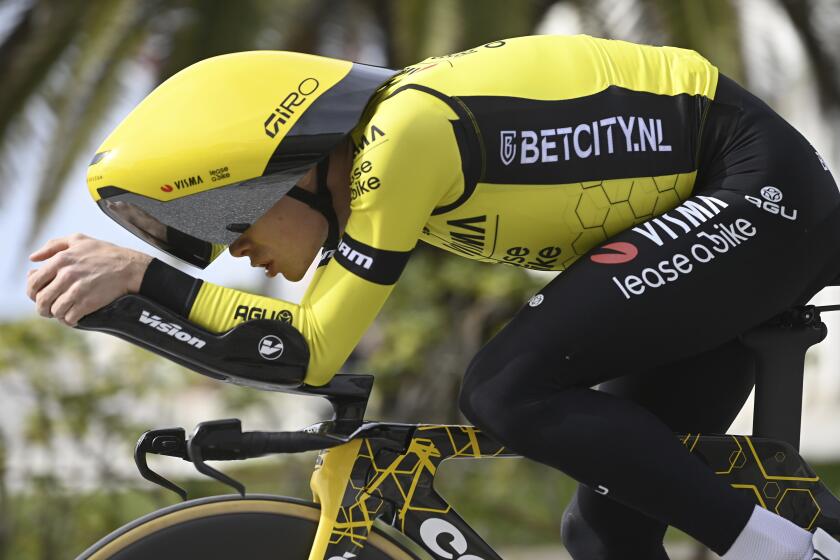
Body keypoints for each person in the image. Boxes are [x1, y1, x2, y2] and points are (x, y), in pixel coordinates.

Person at [25, 35, 840, 559]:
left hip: (749, 180)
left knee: (502, 388)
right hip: (711, 214)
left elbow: (310, 348)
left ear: (287, 170)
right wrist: (135, 303)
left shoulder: (402, 139)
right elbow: (288, 354)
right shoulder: (390, 157)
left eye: (235, 224)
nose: (242, 254)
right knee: (605, 530)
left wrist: (142, 281)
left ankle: (783, 553)